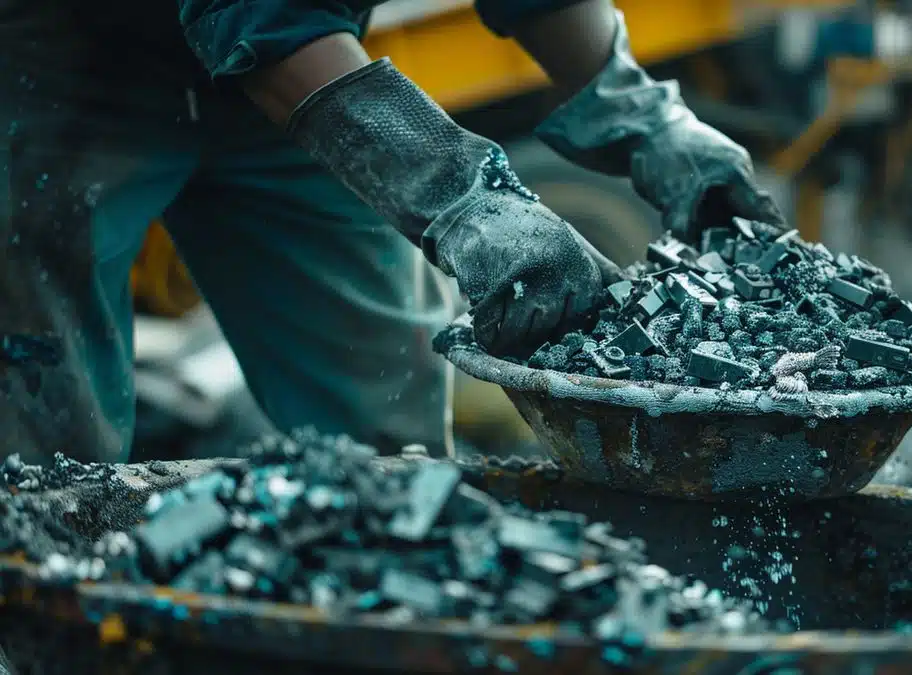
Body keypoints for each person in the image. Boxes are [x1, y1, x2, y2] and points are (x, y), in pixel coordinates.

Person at [0, 0, 783, 466]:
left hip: (295, 59)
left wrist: (640, 110)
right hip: (68, 56)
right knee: (46, 425)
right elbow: (262, 15)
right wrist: (459, 196)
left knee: (385, 407)